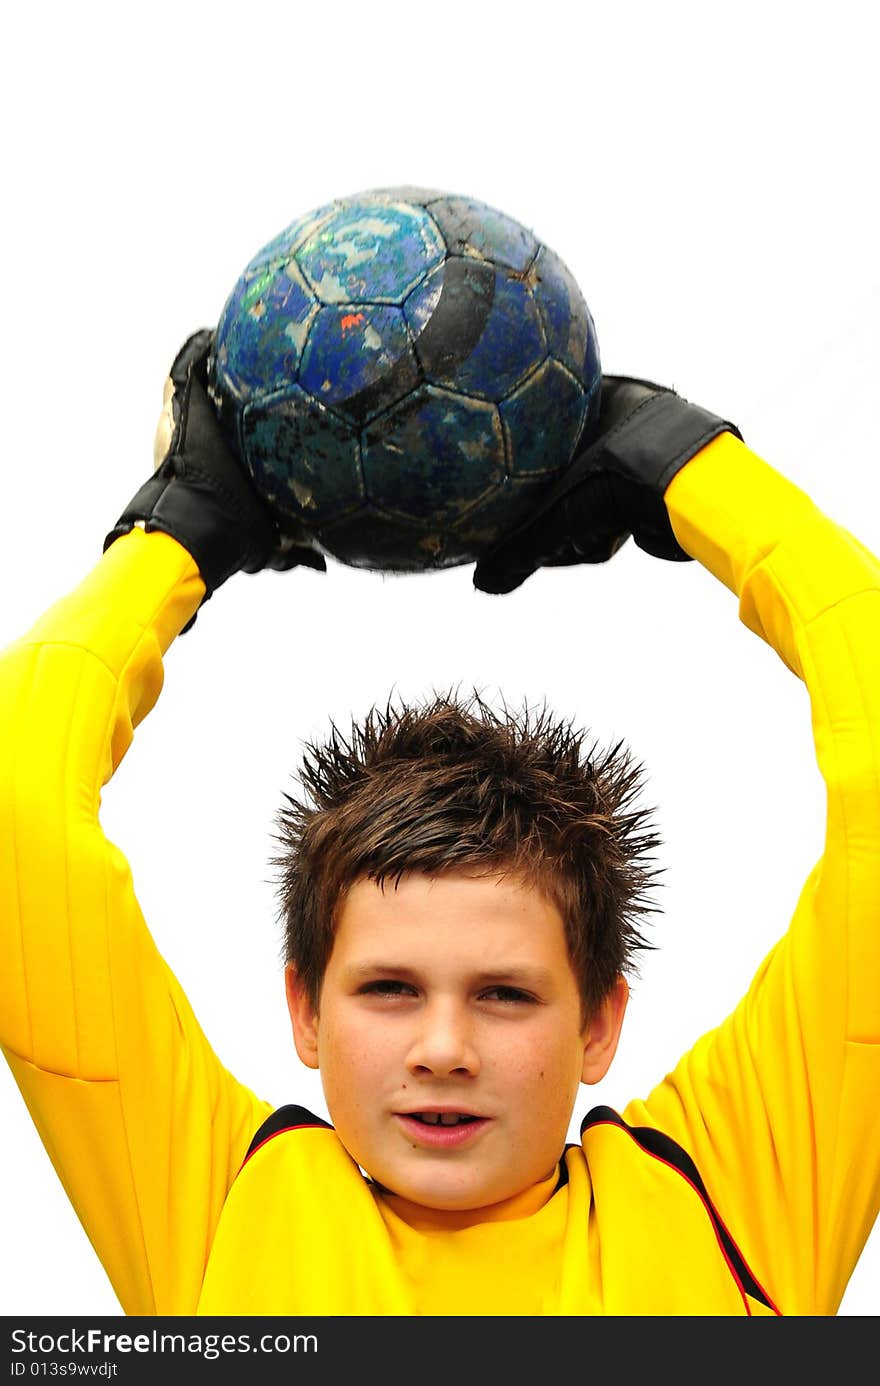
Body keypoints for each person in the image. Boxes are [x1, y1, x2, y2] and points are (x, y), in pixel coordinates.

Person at [1, 328, 878, 1318]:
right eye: (387, 990)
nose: (444, 1049)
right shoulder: (220, 1206)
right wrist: (178, 534)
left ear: (598, 1022)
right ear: (306, 1013)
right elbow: (17, 793)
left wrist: (687, 468)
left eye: (505, 995)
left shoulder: (729, 1200)